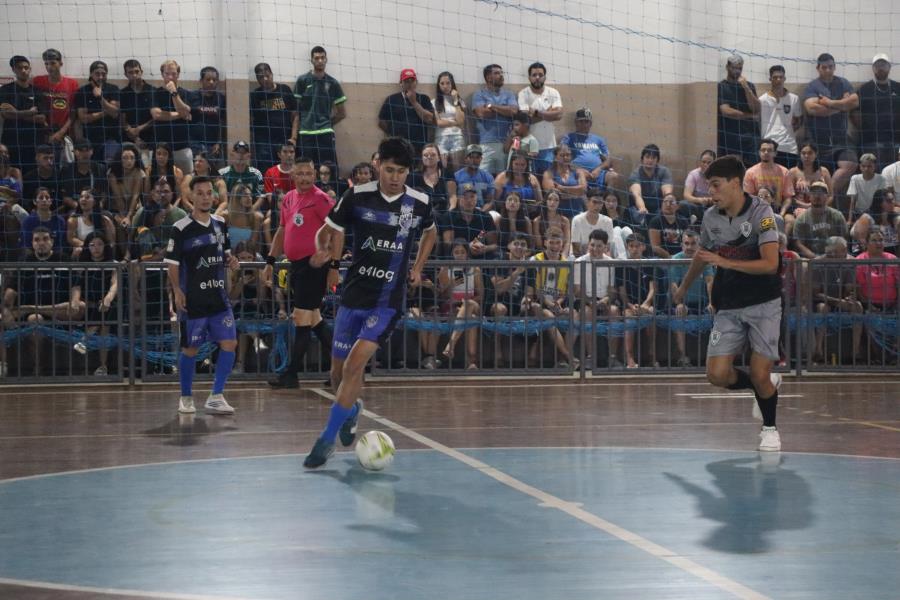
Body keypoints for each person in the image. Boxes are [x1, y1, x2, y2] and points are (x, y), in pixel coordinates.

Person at [302, 136, 437, 468]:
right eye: (389, 170)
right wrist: (322, 251)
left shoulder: (420, 201)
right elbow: (327, 229)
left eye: (401, 171)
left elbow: (431, 232)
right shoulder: (357, 196)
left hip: (387, 302)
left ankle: (326, 441)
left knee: (353, 366)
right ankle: (352, 411)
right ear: (377, 166)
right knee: (337, 374)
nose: (394, 177)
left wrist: (417, 268)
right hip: (353, 296)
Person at [673, 155, 783, 452]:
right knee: (717, 375)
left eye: (716, 185)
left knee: (759, 372)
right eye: (709, 186)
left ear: (736, 183)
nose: (712, 192)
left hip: (764, 302)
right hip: (729, 302)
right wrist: (683, 288)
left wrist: (724, 261)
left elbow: (771, 264)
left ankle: (770, 429)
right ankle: (764, 388)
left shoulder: (762, 213)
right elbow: (702, 255)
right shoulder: (710, 217)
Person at [165, 176, 240, 415]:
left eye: (209, 193)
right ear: (192, 197)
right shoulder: (181, 229)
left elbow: (226, 255)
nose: (206, 197)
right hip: (193, 300)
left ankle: (216, 395)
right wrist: (177, 290)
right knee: (190, 350)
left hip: (218, 297)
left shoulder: (220, 224)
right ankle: (186, 398)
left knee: (229, 343)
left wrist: (232, 260)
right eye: (201, 193)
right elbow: (173, 264)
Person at [262, 157, 336, 388]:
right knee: (315, 320)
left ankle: (291, 375)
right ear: (293, 176)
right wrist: (270, 260)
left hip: (314, 266)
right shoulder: (289, 198)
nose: (305, 177)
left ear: (314, 175)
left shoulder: (321, 199)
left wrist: (331, 263)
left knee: (301, 319)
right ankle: (346, 370)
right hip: (297, 266)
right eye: (300, 173)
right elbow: (283, 230)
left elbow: (337, 231)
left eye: (308, 173)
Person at [5, 226, 81, 376]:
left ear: (52, 241)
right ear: (32, 243)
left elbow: (76, 285)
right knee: (35, 319)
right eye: (37, 240)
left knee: (81, 306)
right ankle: (38, 366)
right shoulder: (25, 261)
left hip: (59, 312)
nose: (41, 243)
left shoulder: (63, 258)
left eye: (45, 239)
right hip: (33, 315)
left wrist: (75, 300)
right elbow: (11, 290)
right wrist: (6, 307)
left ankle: (33, 308)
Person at [802, 53, 859, 200]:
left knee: (851, 164)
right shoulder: (813, 86)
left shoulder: (843, 83)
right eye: (824, 67)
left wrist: (829, 103)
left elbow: (854, 102)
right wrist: (841, 105)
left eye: (831, 67)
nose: (828, 70)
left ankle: (827, 196)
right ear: (818, 68)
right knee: (813, 172)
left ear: (834, 67)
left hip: (840, 139)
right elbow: (812, 109)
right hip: (817, 141)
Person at [524, 225, 576, 368]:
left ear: (562, 244)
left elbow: (566, 291)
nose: (554, 246)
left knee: (575, 315)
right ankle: (568, 357)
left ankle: (561, 359)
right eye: (551, 242)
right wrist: (547, 303)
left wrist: (558, 302)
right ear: (545, 242)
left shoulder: (567, 264)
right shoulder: (535, 260)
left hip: (556, 304)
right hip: (536, 304)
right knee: (547, 315)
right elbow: (531, 290)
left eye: (557, 242)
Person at [70, 231, 119, 376]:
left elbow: (114, 284)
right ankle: (102, 365)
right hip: (88, 304)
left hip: (108, 304)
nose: (96, 248)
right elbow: (77, 286)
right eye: (92, 245)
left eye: (99, 244)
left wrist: (108, 298)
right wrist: (75, 300)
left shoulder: (113, 264)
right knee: (103, 322)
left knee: (105, 321)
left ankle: (87, 341)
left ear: (105, 246)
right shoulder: (83, 264)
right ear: (87, 247)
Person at [573, 229, 621, 369]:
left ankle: (612, 358)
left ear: (605, 247)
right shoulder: (579, 262)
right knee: (587, 313)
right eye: (592, 245)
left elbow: (612, 291)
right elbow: (577, 290)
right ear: (588, 245)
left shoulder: (610, 262)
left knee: (614, 312)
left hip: (604, 299)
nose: (595, 249)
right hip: (585, 299)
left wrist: (606, 300)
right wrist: (590, 302)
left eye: (599, 246)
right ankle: (590, 357)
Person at [293, 46, 347, 168]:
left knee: (328, 168)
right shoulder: (302, 80)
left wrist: (327, 123)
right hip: (305, 132)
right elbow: (295, 111)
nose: (320, 61)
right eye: (317, 58)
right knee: (306, 168)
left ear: (326, 59)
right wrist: (294, 136)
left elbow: (342, 113)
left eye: (322, 58)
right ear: (311, 60)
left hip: (325, 132)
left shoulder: (333, 83)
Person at [811, 236, 862, 363]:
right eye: (830, 253)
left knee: (858, 307)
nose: (832, 255)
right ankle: (818, 350)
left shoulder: (851, 262)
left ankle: (855, 352)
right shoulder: (818, 263)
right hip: (821, 300)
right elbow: (816, 293)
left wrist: (849, 297)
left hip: (840, 299)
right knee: (823, 308)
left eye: (837, 251)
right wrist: (836, 301)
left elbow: (849, 288)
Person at [668, 230, 714, 368]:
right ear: (681, 245)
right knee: (679, 313)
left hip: (701, 302)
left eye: (693, 244)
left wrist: (712, 302)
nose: (689, 247)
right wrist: (680, 303)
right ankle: (683, 357)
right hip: (681, 303)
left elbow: (709, 281)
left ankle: (713, 358)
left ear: (699, 245)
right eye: (686, 244)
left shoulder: (704, 258)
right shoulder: (676, 259)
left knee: (717, 314)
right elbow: (674, 285)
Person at [439, 239, 484, 370]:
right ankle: (471, 362)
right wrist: (451, 285)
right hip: (452, 305)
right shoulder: (445, 268)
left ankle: (450, 345)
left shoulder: (475, 269)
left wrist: (465, 302)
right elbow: (442, 296)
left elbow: (481, 295)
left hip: (472, 303)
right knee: (472, 319)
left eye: (462, 252)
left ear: (467, 253)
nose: (459, 255)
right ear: (452, 254)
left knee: (469, 304)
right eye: (456, 252)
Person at [615, 232, 658, 369]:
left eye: (637, 246)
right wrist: (629, 305)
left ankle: (652, 355)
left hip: (645, 304)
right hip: (629, 305)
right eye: (631, 246)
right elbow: (622, 292)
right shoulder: (622, 266)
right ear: (627, 248)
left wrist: (646, 304)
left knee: (651, 313)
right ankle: (629, 357)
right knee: (629, 317)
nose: (634, 249)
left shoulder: (649, 264)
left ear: (643, 247)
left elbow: (653, 288)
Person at [0, 56, 47, 173]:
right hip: (12, 142)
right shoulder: (5, 90)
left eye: (26, 68)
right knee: (13, 173)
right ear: (13, 70)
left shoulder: (37, 91)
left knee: (33, 175)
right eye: (19, 68)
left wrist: (15, 112)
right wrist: (29, 113)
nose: (23, 71)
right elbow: (5, 114)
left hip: (34, 142)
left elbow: (41, 118)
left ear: (30, 69)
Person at [561, 107, 624, 193]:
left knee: (614, 176)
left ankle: (608, 201)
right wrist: (578, 169)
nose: (584, 124)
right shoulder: (569, 137)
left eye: (586, 122)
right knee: (580, 176)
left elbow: (608, 159)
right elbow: (561, 156)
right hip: (578, 173)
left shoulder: (598, 139)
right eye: (581, 121)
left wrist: (598, 169)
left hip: (598, 174)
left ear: (590, 124)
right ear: (576, 123)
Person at [33, 49, 78, 165]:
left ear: (61, 63)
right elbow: (35, 107)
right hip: (42, 134)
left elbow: (73, 112)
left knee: (63, 167)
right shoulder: (38, 81)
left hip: (64, 135)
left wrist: (61, 133)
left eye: (53, 63)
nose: (49, 67)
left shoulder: (71, 84)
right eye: (46, 64)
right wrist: (47, 129)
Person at [854, 54, 900, 170]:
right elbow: (854, 113)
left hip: (896, 139)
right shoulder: (864, 89)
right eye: (877, 65)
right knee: (876, 171)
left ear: (889, 67)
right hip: (871, 140)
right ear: (873, 68)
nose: (881, 68)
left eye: (884, 65)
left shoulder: (898, 87)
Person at [250, 63, 298, 170]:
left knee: (286, 171)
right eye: (261, 77)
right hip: (263, 144)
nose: (265, 79)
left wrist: (294, 138)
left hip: (284, 140)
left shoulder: (284, 90)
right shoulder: (255, 95)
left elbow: (295, 115)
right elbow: (251, 120)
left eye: (267, 75)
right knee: (265, 172)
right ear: (257, 79)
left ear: (272, 74)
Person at [472, 64, 519, 175]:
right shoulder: (479, 94)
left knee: (504, 179)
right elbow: (481, 113)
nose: (501, 75)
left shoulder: (509, 94)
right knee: (484, 178)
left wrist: (491, 106)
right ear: (488, 77)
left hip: (506, 144)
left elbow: (513, 111)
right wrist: (504, 109)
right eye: (497, 73)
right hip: (486, 144)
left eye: (502, 73)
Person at [517, 62, 563, 174]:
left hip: (549, 146)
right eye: (534, 75)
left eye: (540, 75)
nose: (537, 78)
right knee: (531, 179)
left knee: (548, 178)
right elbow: (526, 120)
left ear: (545, 77)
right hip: (528, 147)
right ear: (529, 78)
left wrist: (536, 112)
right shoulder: (523, 94)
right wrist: (550, 113)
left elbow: (560, 115)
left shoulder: (553, 92)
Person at [151, 59, 194, 175]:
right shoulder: (155, 93)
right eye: (167, 74)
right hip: (162, 150)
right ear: (162, 74)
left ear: (178, 74)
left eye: (174, 74)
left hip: (182, 148)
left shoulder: (185, 93)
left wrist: (174, 93)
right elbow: (157, 114)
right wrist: (180, 114)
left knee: (186, 181)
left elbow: (186, 113)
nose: (170, 77)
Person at [377, 69, 435, 155]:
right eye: (406, 81)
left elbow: (430, 120)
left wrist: (414, 102)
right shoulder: (391, 99)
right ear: (401, 83)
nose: (409, 84)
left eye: (412, 81)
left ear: (416, 82)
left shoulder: (424, 98)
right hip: (398, 146)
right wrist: (394, 133)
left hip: (420, 145)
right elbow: (381, 121)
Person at [743, 138, 796, 231]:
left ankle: (783, 243)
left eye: (770, 150)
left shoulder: (784, 172)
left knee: (790, 220)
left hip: (779, 209)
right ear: (759, 152)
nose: (766, 152)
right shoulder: (750, 172)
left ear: (775, 153)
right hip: (758, 209)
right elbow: (748, 197)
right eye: (763, 150)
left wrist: (782, 213)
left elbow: (788, 197)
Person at [717, 54, 760, 167]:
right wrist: (749, 116)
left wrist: (746, 88)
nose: (737, 71)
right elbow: (726, 111)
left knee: (752, 168)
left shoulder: (749, 86)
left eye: (740, 68)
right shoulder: (722, 86)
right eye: (734, 68)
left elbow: (756, 108)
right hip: (730, 136)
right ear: (727, 67)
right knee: (732, 169)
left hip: (750, 137)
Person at [74, 60, 121, 164]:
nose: (100, 77)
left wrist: (100, 97)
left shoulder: (113, 89)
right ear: (91, 74)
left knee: (110, 170)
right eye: (97, 74)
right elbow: (83, 118)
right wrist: (106, 111)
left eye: (103, 74)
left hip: (111, 139)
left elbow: (115, 112)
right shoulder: (82, 91)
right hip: (89, 141)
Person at [758, 65, 802, 169]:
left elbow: (799, 120)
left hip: (789, 147)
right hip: (769, 147)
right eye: (775, 77)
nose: (778, 80)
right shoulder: (762, 100)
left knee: (789, 179)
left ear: (784, 78)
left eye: (781, 77)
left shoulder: (794, 99)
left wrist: (788, 131)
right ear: (770, 79)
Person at [793, 181, 849, 258]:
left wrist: (835, 255)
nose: (817, 196)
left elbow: (844, 239)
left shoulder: (837, 216)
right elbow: (799, 244)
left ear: (827, 196)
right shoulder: (802, 219)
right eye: (814, 193)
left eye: (821, 193)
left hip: (835, 257)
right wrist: (815, 258)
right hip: (811, 260)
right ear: (809, 196)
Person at [118, 59, 156, 165]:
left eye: (136, 71)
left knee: (149, 169)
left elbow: (156, 117)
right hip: (129, 140)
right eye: (130, 72)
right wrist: (135, 138)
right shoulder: (122, 94)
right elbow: (122, 119)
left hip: (151, 138)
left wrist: (139, 128)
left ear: (141, 72)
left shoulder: (153, 91)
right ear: (125, 74)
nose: (134, 75)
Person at [188, 66, 227, 165]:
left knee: (213, 173)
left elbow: (222, 122)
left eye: (214, 80)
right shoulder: (192, 96)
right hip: (194, 143)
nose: (211, 82)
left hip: (213, 144)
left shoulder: (221, 98)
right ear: (201, 80)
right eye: (208, 79)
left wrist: (219, 142)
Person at [59, 139, 108, 213]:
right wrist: (80, 207)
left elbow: (104, 193)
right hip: (75, 208)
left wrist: (99, 205)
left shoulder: (100, 169)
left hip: (95, 208)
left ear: (92, 151)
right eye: (81, 150)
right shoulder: (67, 170)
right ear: (74, 152)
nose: (84, 154)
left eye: (87, 150)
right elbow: (65, 197)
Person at [66, 188, 115, 259]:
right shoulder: (73, 220)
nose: (83, 199)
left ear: (95, 201)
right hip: (83, 252)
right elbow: (71, 239)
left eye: (87, 197)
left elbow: (111, 242)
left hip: (102, 254)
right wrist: (90, 247)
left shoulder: (105, 220)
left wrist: (100, 248)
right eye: (81, 197)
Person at [628, 143, 673, 218]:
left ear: (657, 160)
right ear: (642, 159)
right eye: (647, 157)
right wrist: (642, 208)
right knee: (638, 215)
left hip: (658, 207)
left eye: (653, 158)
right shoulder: (635, 174)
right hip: (639, 206)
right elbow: (637, 194)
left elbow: (667, 193)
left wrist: (667, 206)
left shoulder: (664, 172)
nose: (650, 160)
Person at [432, 71, 466, 171]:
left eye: (448, 83)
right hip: (441, 138)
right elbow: (439, 123)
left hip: (457, 137)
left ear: (452, 84)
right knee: (442, 169)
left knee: (458, 168)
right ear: (438, 85)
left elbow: (461, 121)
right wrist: (454, 122)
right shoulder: (434, 102)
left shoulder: (460, 101)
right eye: (442, 83)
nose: (445, 86)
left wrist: (456, 100)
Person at [542, 144, 587, 219]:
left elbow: (583, 189)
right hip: (557, 215)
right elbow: (553, 194)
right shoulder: (548, 173)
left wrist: (562, 187)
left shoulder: (578, 171)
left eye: (568, 155)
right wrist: (575, 195)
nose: (566, 158)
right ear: (555, 157)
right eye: (562, 155)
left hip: (577, 213)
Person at [493, 151, 543, 217]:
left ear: (527, 165)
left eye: (522, 165)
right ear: (511, 164)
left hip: (528, 214)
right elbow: (494, 201)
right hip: (505, 214)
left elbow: (540, 201)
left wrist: (532, 207)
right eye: (516, 164)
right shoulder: (502, 177)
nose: (519, 168)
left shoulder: (532, 179)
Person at [850, 189, 899, 254]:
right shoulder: (867, 218)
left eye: (893, 199)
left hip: (892, 252)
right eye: (889, 201)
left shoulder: (895, 216)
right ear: (879, 202)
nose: (893, 202)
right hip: (871, 252)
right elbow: (862, 242)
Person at [108, 143, 145, 226]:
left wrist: (128, 216)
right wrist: (123, 217)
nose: (129, 161)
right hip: (117, 209)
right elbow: (118, 198)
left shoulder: (138, 172)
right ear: (119, 159)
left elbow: (136, 196)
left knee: (133, 222)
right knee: (121, 223)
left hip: (134, 208)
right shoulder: (112, 174)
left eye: (132, 158)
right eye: (125, 158)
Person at [409, 143, 452, 215]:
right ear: (422, 158)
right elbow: (407, 198)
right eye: (425, 155)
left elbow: (453, 196)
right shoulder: (413, 175)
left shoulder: (447, 174)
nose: (429, 157)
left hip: (444, 215)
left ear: (438, 158)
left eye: (433, 155)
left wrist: (451, 210)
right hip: (420, 214)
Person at [571, 188, 615, 257]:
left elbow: (607, 247)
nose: (597, 206)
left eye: (600, 203)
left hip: (601, 257)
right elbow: (576, 248)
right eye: (594, 202)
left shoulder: (608, 221)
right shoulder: (577, 220)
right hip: (581, 258)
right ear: (587, 202)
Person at [21, 187, 66, 253]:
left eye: (47, 198)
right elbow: (26, 246)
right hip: (33, 257)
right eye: (41, 198)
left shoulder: (60, 221)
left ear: (51, 201)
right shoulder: (27, 221)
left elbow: (61, 246)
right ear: (34, 201)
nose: (44, 200)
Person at [647, 193, 691, 259]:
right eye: (665, 202)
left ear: (677, 206)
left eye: (671, 202)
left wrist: (679, 257)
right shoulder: (655, 221)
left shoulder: (683, 221)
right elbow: (655, 247)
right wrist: (670, 258)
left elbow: (688, 242)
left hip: (680, 257)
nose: (668, 205)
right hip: (661, 258)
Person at [452, 145, 495, 210]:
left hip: (482, 211)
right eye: (471, 157)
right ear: (465, 159)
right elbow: (453, 198)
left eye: (477, 157)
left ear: (481, 159)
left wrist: (481, 213)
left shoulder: (488, 177)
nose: (474, 160)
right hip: (462, 211)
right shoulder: (456, 177)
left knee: (495, 215)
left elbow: (490, 201)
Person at [847, 153, 887, 223]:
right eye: (863, 166)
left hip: (875, 214)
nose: (866, 169)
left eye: (869, 166)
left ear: (874, 167)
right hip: (859, 213)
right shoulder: (855, 178)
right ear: (860, 167)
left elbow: (883, 202)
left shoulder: (881, 179)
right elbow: (852, 202)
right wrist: (849, 220)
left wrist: (884, 222)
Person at [532, 190, 571, 256]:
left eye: (556, 200)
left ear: (559, 203)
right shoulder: (537, 221)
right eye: (550, 199)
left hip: (561, 254)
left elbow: (567, 242)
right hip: (543, 255)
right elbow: (539, 245)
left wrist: (563, 258)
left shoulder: (564, 221)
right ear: (545, 201)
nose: (552, 202)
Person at [681, 150, 716, 220]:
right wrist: (700, 200)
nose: (706, 165)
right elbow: (686, 195)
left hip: (714, 205)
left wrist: (712, 200)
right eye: (703, 162)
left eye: (709, 163)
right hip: (697, 205)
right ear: (700, 162)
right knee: (683, 204)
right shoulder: (693, 174)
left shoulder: (719, 176)